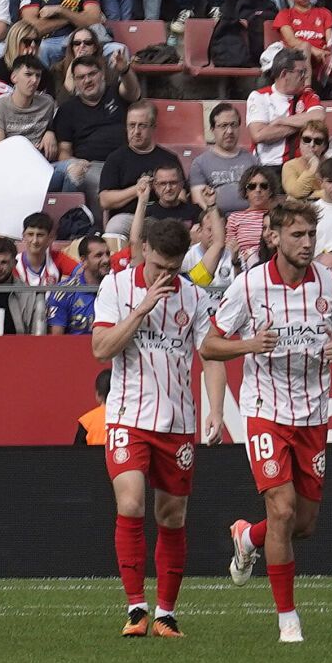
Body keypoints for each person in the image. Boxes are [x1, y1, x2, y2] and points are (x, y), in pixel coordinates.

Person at [210, 198, 332, 644]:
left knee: (303, 523)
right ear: (274, 238)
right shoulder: (249, 285)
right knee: (281, 508)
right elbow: (210, 345)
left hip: (314, 412)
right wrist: (249, 345)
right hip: (265, 410)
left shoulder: (330, 283)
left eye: (311, 234)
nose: (306, 243)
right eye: (297, 235)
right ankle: (287, 620)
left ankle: (248, 537)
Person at [93, 217, 225, 638]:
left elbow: (211, 355)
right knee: (131, 502)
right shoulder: (116, 287)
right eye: (158, 267)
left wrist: (217, 409)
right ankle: (136, 608)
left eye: (173, 268)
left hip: (177, 421)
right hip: (128, 416)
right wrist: (141, 309)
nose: (165, 276)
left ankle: (166, 614)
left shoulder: (195, 296)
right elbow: (101, 349)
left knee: (172, 514)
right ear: (145, 249)